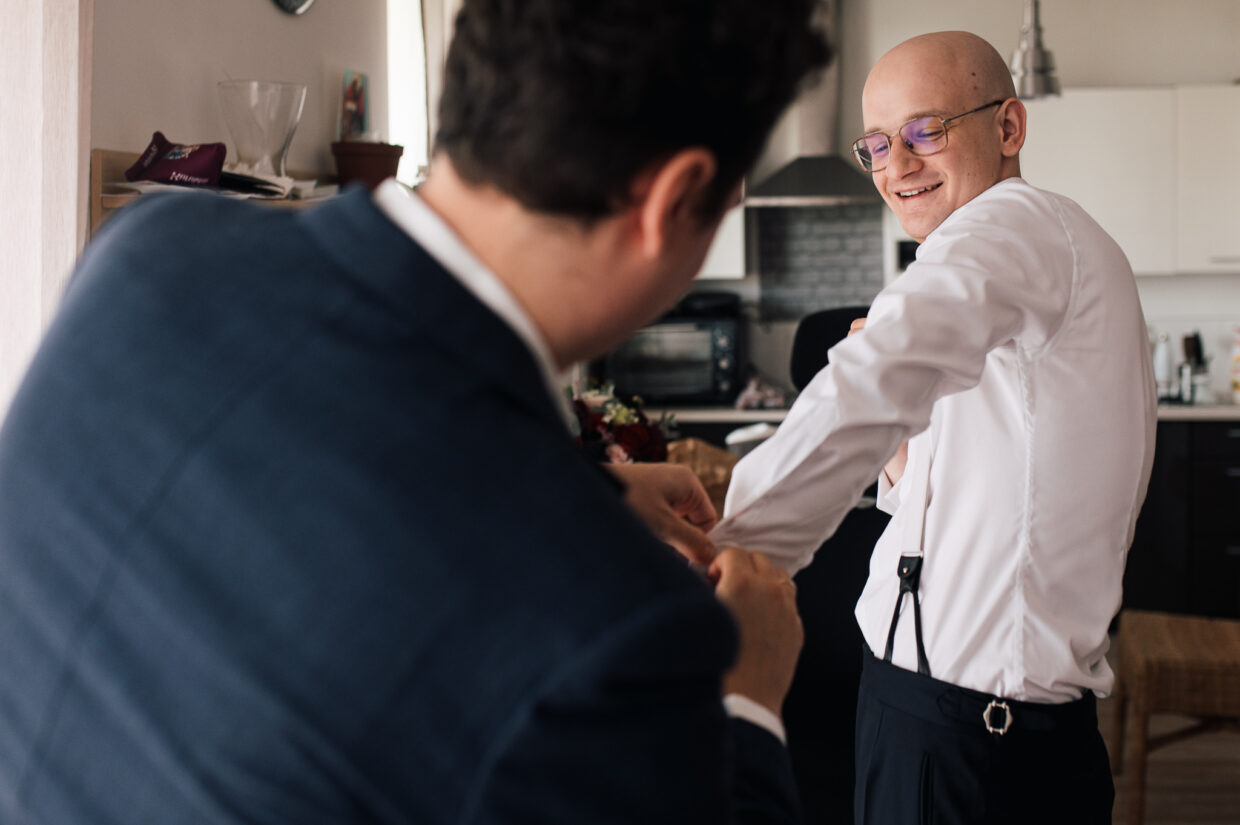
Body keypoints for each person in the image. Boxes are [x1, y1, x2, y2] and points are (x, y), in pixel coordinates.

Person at [0, 2, 829, 823]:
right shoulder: (613, 625)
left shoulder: (155, 251)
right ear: (674, 197)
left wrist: (588, 489)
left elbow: (318, 477)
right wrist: (747, 699)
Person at [710, 31, 1156, 825]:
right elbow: (944, 493)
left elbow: (871, 379)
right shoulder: (992, 257)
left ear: (1008, 127)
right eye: (877, 145)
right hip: (928, 709)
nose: (897, 166)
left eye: (926, 130)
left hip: (976, 742)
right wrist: (900, 449)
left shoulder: (1016, 228)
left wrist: (731, 553)